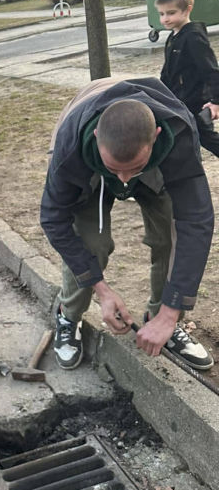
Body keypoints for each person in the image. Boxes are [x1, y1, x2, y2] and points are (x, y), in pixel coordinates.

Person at [41, 76, 214, 372]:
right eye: (115, 170)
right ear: (96, 135)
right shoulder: (70, 147)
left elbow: (195, 221)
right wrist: (102, 291)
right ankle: (68, 315)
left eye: (132, 169)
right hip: (88, 158)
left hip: (155, 163)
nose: (123, 180)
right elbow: (53, 218)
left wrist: (171, 313)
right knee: (92, 243)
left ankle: (162, 323)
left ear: (157, 136)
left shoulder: (179, 135)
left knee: (169, 237)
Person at [156, 0, 219, 157]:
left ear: (187, 10)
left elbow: (211, 70)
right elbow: (168, 72)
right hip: (178, 103)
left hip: (196, 104)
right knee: (185, 144)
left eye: (171, 13)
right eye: (161, 14)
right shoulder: (173, 37)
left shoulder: (193, 38)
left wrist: (216, 101)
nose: (165, 19)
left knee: (208, 139)